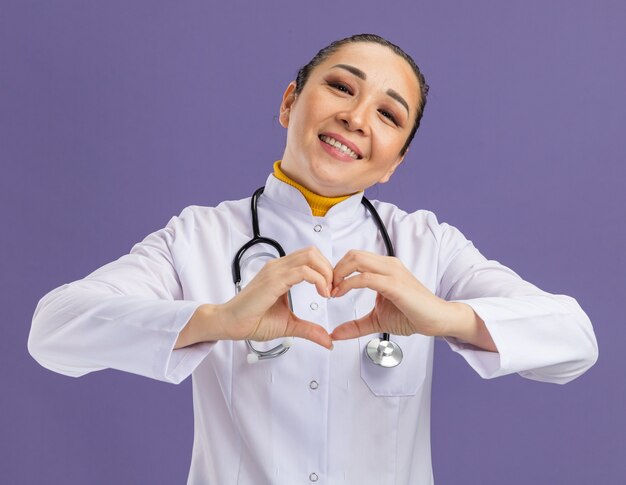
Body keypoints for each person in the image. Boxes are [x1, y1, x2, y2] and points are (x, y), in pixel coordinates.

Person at [28, 34, 598, 484]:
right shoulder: (198, 236)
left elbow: (575, 342)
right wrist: (214, 321)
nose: (356, 118)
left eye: (389, 115)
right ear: (289, 101)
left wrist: (444, 316)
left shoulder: (427, 246)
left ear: (393, 163)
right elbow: (53, 331)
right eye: (342, 88)